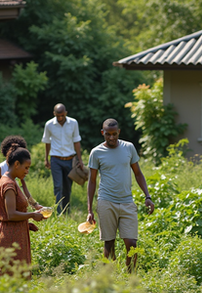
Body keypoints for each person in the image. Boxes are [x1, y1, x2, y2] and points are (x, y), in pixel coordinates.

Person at [87, 118, 154, 272]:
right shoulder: (96, 152)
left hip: (127, 202)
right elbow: (92, 181)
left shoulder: (128, 147)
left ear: (119, 132)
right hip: (106, 201)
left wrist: (148, 197)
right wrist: (90, 210)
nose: (111, 138)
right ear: (102, 133)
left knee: (132, 243)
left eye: (114, 134)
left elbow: (138, 173)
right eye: (108, 134)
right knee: (109, 244)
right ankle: (109, 279)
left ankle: (131, 278)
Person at [0, 144, 46, 277]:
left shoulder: (12, 181)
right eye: (26, 167)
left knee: (18, 277)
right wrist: (32, 215)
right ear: (17, 164)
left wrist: (26, 223)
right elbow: (10, 214)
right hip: (11, 237)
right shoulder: (8, 184)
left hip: (17, 233)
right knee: (12, 277)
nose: (27, 171)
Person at [0, 135, 42, 220]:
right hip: (0, 208)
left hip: (15, 205)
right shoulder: (0, 168)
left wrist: (35, 205)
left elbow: (24, 188)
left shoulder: (21, 169)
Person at [43, 103, 84, 214]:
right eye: (58, 116)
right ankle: (58, 211)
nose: (60, 118)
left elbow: (76, 141)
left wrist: (80, 160)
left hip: (70, 160)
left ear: (65, 113)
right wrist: (46, 159)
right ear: (54, 114)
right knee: (58, 186)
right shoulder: (49, 125)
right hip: (55, 159)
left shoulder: (73, 123)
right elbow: (47, 142)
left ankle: (66, 210)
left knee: (67, 187)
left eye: (62, 115)